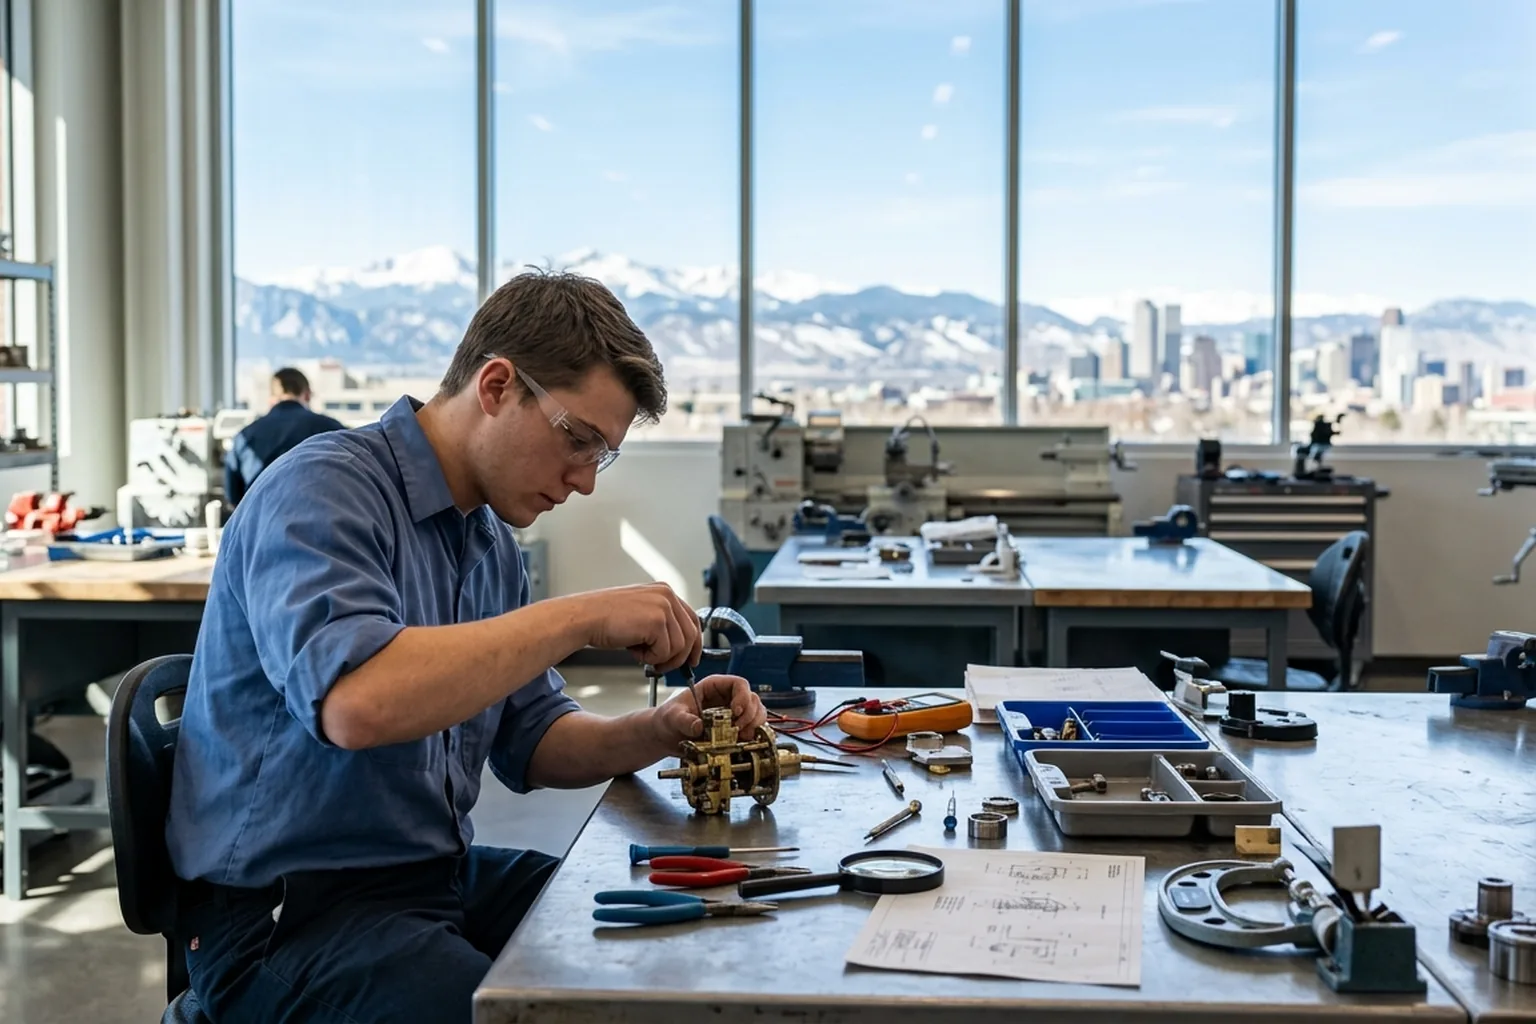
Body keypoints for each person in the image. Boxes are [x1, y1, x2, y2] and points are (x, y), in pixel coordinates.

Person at [166, 271, 766, 1023]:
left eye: (602, 456)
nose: (583, 481)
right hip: (285, 921)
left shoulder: (486, 544)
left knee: (668, 949)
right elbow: (357, 703)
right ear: (496, 386)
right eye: (577, 440)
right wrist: (578, 616)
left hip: (427, 883)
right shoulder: (321, 491)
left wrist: (658, 729)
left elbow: (532, 738)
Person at [222, 366, 346, 507]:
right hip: (321, 521)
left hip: (262, 524)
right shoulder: (332, 430)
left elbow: (233, 496)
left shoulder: (244, 437)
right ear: (307, 395)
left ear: (272, 399)